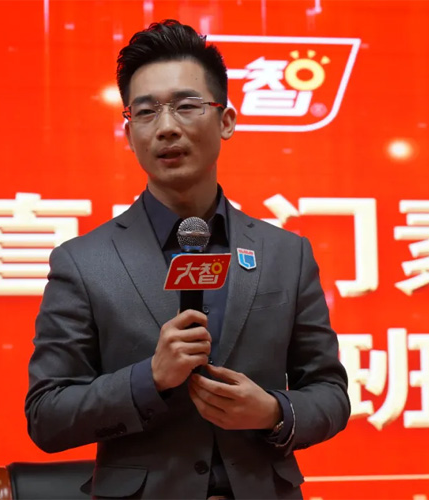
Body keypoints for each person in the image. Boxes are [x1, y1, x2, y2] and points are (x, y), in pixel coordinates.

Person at [25, 19, 350, 499]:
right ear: (129, 131)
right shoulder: (84, 262)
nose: (167, 127)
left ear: (226, 121)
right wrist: (149, 379)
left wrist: (272, 412)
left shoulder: (285, 253)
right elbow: (47, 416)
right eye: (146, 112)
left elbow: (330, 393)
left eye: (186, 106)